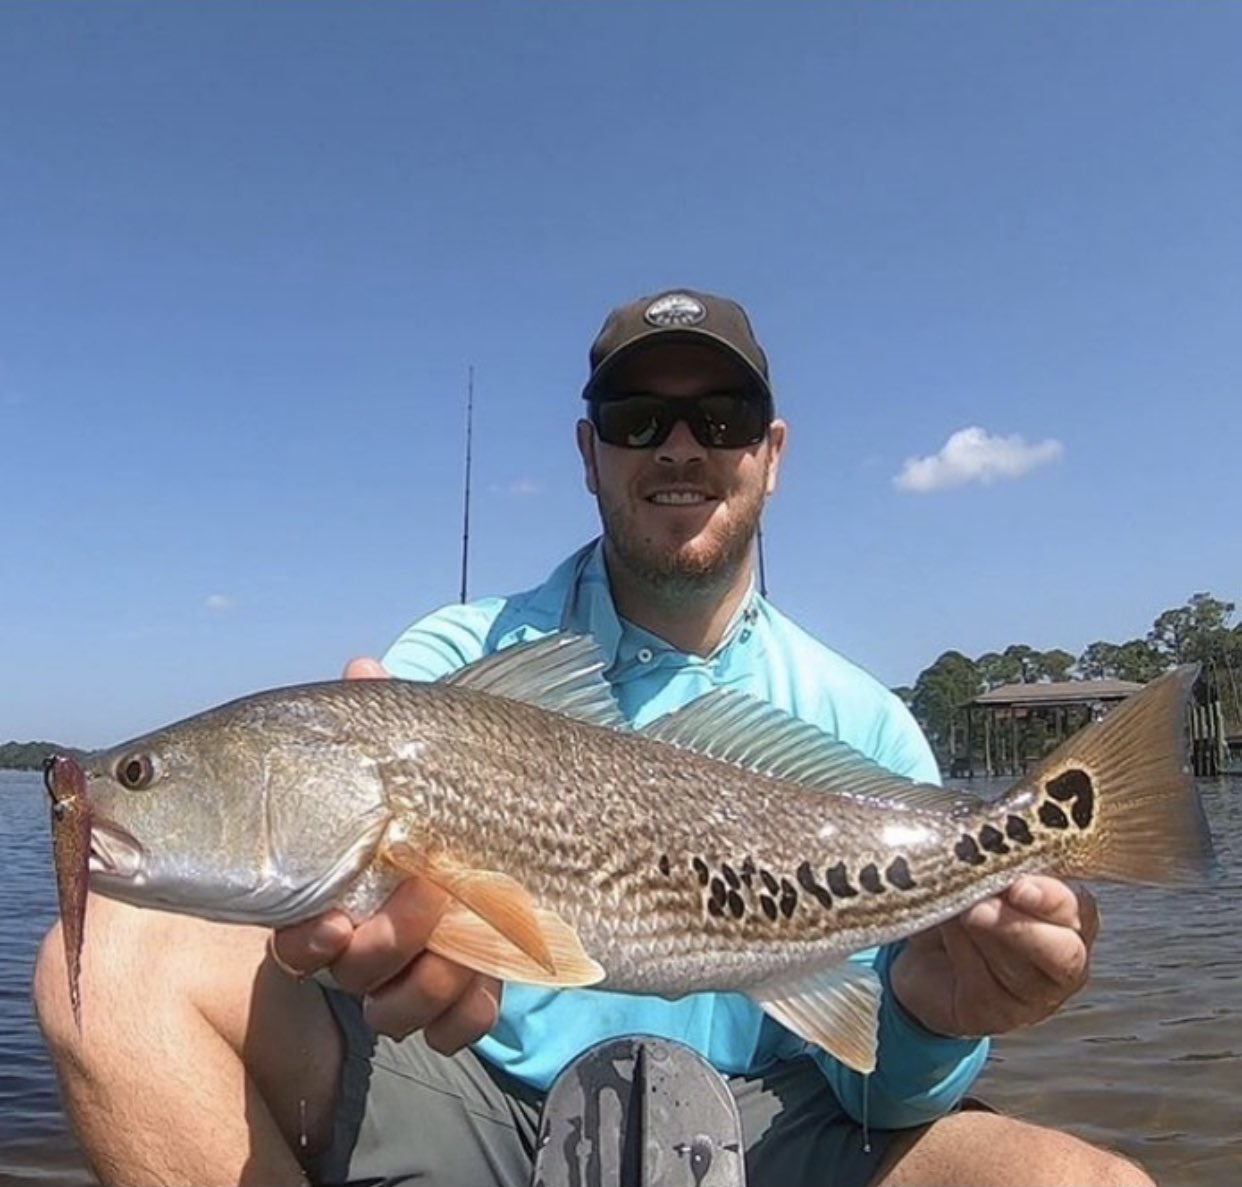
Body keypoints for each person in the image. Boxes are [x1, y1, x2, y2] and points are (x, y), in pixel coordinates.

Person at [35, 289, 1152, 1187]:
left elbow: (880, 1091)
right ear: (588, 451)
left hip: (768, 1129)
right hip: (476, 1100)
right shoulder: (451, 661)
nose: (679, 446)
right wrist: (364, 973)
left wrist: (931, 1022)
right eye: (636, 421)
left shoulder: (865, 723)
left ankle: (1102, 814)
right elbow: (378, 961)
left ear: (771, 451)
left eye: (717, 419)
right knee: (102, 965)